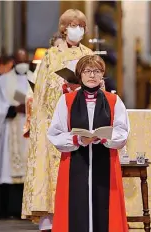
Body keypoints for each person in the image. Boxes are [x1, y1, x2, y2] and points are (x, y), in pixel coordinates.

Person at [21, 9, 93, 232]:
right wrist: (63, 87)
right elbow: (42, 91)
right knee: (51, 172)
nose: (77, 29)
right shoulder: (51, 56)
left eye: (81, 25)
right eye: (73, 25)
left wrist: (84, 87)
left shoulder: (89, 54)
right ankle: (50, 220)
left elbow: (99, 84)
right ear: (63, 28)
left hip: (82, 118)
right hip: (56, 121)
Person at [47, 55, 129, 232]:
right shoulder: (66, 101)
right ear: (80, 75)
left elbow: (122, 132)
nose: (92, 75)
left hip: (105, 164)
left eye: (97, 71)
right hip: (75, 165)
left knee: (105, 211)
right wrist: (77, 139)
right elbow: (55, 134)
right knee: (75, 209)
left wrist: (105, 137)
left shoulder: (114, 101)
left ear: (102, 75)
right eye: (87, 71)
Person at [0, 49, 33, 219]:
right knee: (7, 171)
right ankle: (7, 209)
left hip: (28, 130)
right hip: (10, 129)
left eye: (25, 60)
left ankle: (25, 210)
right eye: (19, 61)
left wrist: (27, 107)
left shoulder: (35, 78)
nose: (22, 64)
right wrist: (11, 108)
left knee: (28, 171)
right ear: (14, 61)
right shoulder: (3, 80)